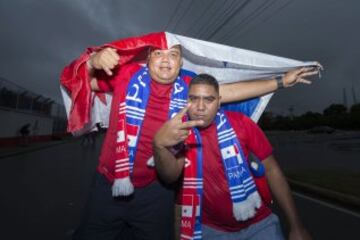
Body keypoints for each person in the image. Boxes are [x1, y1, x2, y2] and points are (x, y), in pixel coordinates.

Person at [61, 36, 318, 240]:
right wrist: (94, 60)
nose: (165, 60)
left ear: (180, 63)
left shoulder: (188, 88)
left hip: (156, 191)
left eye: (173, 54)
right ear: (147, 60)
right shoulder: (125, 75)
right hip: (108, 183)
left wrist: (282, 81)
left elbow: (228, 92)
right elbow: (78, 82)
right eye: (158, 53)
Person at [153, 74, 311, 240]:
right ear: (187, 101)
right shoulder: (178, 132)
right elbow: (169, 177)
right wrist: (160, 146)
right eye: (194, 99)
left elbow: (272, 171)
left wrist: (296, 226)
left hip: (259, 225)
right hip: (208, 229)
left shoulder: (242, 124)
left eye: (208, 99)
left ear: (219, 101)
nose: (200, 107)